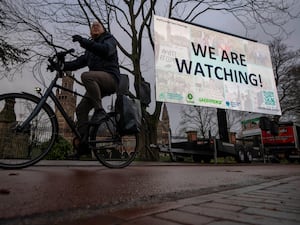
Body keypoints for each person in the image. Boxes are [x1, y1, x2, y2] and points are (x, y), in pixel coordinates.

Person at [63, 21, 120, 156]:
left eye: (98, 25)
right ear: (90, 32)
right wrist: (61, 65)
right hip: (97, 83)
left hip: (110, 79)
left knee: (86, 76)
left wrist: (83, 41)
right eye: (92, 26)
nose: (94, 26)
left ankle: (99, 110)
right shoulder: (90, 50)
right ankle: (84, 145)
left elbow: (105, 50)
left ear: (103, 30)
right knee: (81, 109)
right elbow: (77, 63)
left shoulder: (109, 40)